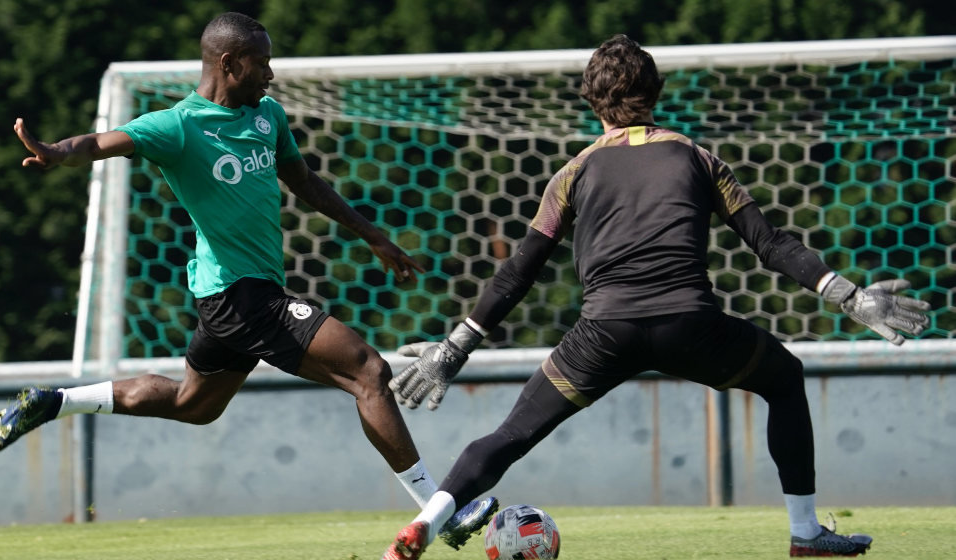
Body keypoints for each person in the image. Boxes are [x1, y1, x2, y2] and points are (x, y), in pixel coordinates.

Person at [381, 34, 932, 559]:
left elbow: (517, 273)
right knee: (784, 379)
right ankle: (805, 532)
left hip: (603, 334)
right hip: (690, 328)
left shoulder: (572, 174)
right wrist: (849, 297)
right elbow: (769, 244)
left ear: (590, 99)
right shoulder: (698, 159)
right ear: (656, 93)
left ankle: (426, 524)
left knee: (511, 434)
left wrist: (454, 349)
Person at [0, 12, 496, 548]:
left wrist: (370, 233)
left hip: (230, 297)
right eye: (262, 63)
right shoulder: (178, 126)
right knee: (368, 371)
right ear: (230, 64)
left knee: (194, 405)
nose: (271, 75)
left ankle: (54, 401)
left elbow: (303, 180)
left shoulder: (267, 116)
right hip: (239, 295)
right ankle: (441, 515)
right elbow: (98, 142)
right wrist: (55, 152)